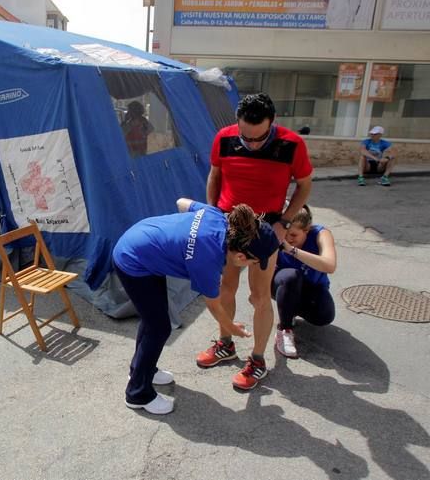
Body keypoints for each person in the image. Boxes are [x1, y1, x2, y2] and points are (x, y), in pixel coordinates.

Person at [113, 199, 279, 414]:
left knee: (153, 319)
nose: (254, 266)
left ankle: (142, 370)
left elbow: (182, 202)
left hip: (142, 243)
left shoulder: (219, 218)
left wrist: (180, 236)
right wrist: (231, 328)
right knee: (159, 327)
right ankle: (138, 393)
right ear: (240, 256)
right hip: (133, 260)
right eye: (254, 262)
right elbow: (213, 304)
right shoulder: (208, 261)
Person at [203, 92, 313, 390]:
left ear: (272, 123)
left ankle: (258, 360)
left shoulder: (292, 144)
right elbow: (214, 176)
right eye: (245, 137)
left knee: (259, 296)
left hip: (267, 226)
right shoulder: (224, 137)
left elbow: (304, 186)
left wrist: (284, 222)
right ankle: (226, 344)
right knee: (225, 287)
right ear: (237, 123)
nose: (251, 143)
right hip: (228, 223)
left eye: (258, 138)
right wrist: (213, 214)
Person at [273, 205, 337, 358]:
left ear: (307, 230)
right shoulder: (278, 234)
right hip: (283, 283)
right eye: (286, 234)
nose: (288, 238)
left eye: (294, 235)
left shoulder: (321, 234)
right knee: (291, 276)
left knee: (324, 316)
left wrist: (292, 250)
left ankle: (290, 308)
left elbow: (330, 265)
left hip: (312, 286)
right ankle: (285, 330)